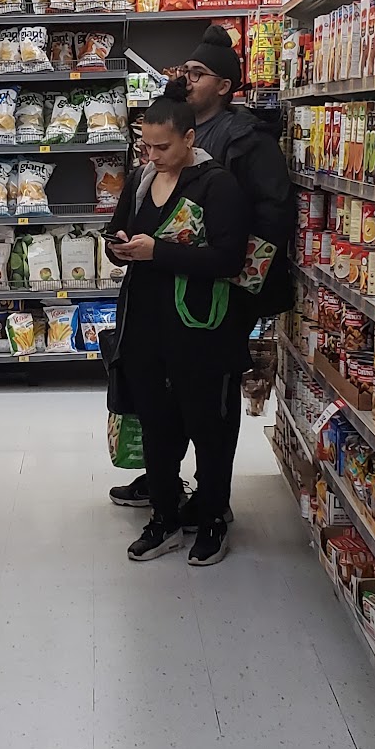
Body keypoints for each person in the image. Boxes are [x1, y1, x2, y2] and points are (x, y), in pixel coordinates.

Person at [108, 25, 295, 513]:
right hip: (162, 290)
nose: (187, 79)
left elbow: (273, 215)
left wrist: (242, 283)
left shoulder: (246, 139)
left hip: (219, 290)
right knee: (161, 396)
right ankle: (162, 479)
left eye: (198, 73)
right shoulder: (166, 137)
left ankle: (213, 499)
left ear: (225, 86)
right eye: (186, 71)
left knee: (211, 400)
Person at [105, 96, 250, 565]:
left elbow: (229, 259)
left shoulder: (217, 185)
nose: (152, 156)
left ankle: (210, 518)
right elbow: (117, 231)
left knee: (208, 427)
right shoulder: (141, 180)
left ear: (189, 138)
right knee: (156, 426)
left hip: (200, 329)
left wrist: (158, 253)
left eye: (162, 147)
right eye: (145, 146)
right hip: (144, 326)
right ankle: (164, 517)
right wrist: (118, 248)